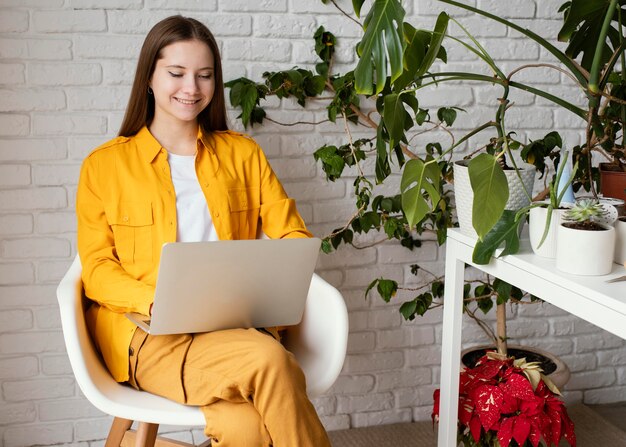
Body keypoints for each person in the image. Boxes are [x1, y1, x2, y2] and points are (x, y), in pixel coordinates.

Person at [76, 15, 331, 447]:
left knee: (244, 427)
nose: (191, 88)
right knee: (270, 361)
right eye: (176, 73)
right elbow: (97, 269)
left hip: (235, 332)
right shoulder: (104, 166)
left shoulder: (243, 154)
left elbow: (291, 236)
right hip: (150, 337)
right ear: (150, 79)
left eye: (205, 75)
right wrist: (153, 301)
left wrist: (280, 272)